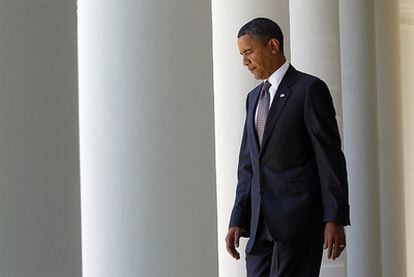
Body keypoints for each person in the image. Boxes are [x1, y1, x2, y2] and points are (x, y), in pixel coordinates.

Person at [225, 18, 350, 276]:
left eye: (248, 52)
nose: (244, 62)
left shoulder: (309, 89)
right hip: (259, 228)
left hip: (298, 225)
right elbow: (248, 166)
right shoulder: (253, 99)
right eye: (241, 54)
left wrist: (334, 217)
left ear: (273, 45)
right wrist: (237, 219)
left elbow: (330, 158)